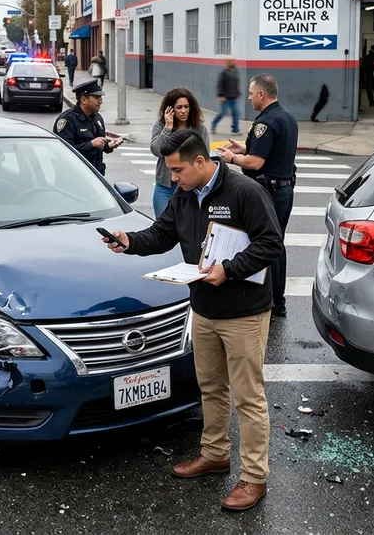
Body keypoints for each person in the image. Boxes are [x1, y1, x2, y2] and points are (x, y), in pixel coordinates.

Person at [101, 129, 282, 512]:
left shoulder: (244, 192)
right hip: (203, 308)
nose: (174, 179)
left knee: (248, 398)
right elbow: (161, 234)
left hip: (244, 311)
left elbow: (271, 244)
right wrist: (128, 242)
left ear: (201, 162)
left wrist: (229, 269)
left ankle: (254, 478)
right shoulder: (184, 196)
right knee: (211, 388)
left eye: (178, 170)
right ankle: (215, 454)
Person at [217, 74, 298, 320]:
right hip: (283, 189)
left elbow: (255, 162)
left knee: (265, 245)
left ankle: (271, 300)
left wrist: (232, 158)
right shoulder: (286, 117)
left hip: (270, 191)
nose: (250, 97)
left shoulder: (267, 123)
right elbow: (271, 152)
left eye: (252, 93)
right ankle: (277, 299)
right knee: (276, 244)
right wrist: (244, 148)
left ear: (262, 94)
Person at [150, 88, 209, 217]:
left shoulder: (199, 128)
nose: (183, 111)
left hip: (190, 187)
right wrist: (167, 128)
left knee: (187, 228)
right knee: (162, 227)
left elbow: (205, 158)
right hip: (165, 187)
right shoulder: (161, 125)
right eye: (179, 107)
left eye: (186, 107)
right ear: (170, 109)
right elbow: (156, 150)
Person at [55, 79, 123, 174]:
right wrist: (91, 144)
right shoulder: (67, 120)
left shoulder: (97, 118)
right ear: (84, 100)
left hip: (95, 175)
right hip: (73, 175)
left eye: (101, 97)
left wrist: (109, 145)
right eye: (97, 97)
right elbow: (65, 152)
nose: (101, 101)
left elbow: (100, 145)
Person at [212, 58, 241, 134]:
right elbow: (219, 85)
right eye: (231, 62)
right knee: (223, 113)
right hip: (225, 98)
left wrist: (238, 93)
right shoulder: (223, 73)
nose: (233, 63)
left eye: (234, 61)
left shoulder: (236, 72)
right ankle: (213, 124)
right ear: (228, 63)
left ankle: (235, 129)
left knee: (236, 113)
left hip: (234, 97)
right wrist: (220, 95)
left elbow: (236, 84)